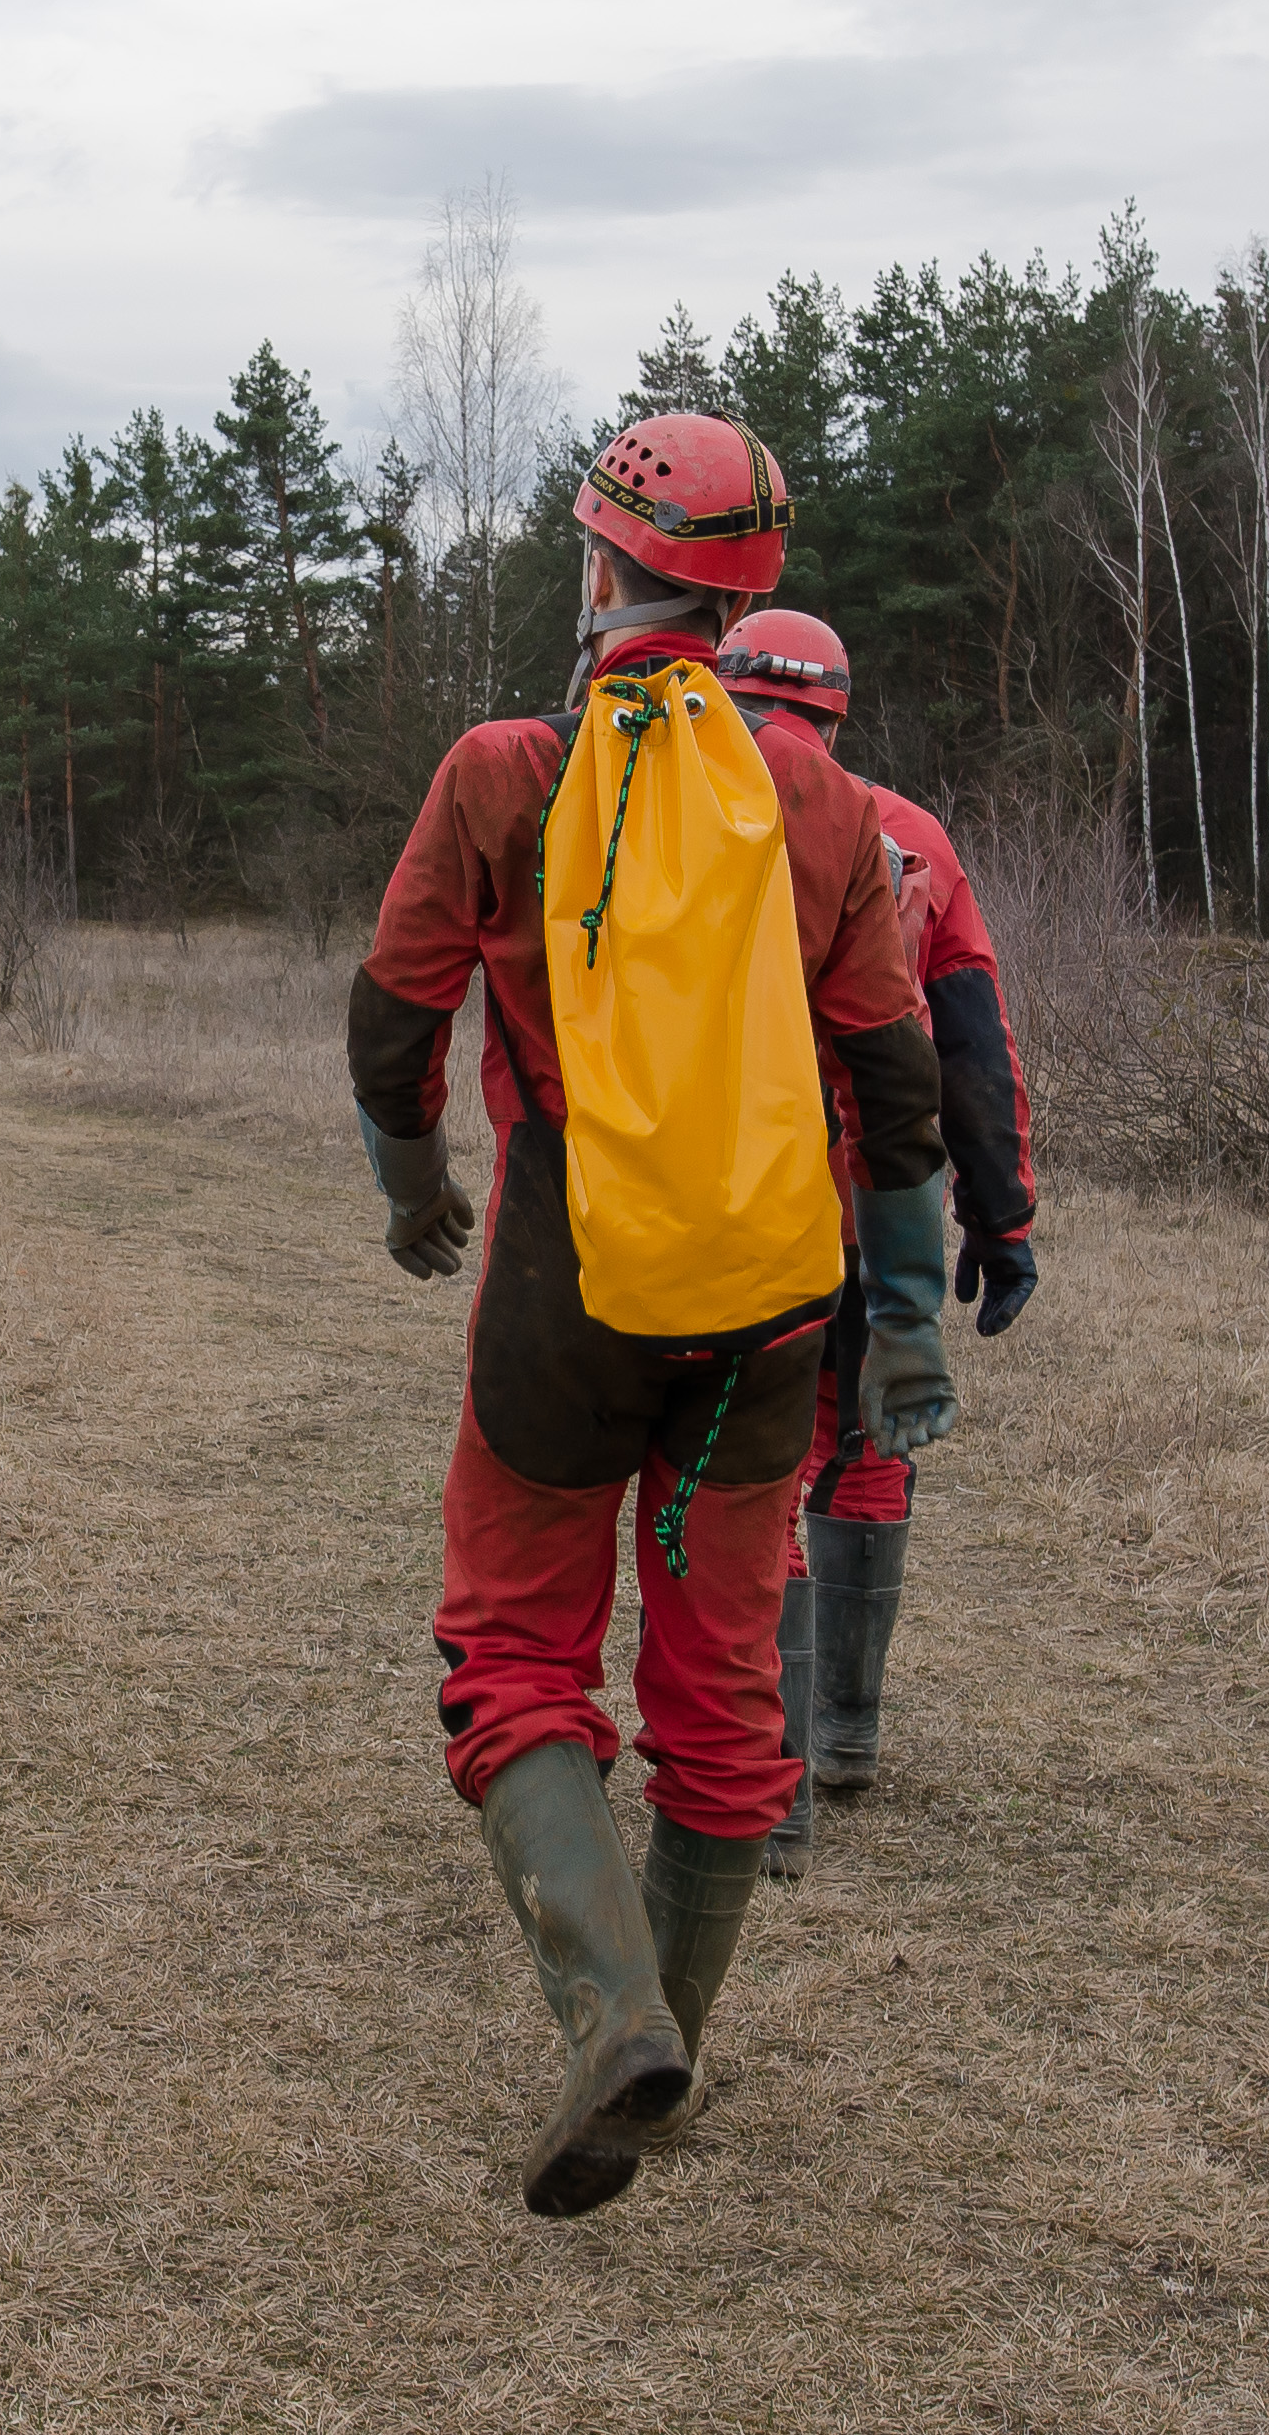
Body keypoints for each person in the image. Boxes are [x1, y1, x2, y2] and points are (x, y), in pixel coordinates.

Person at [345, 412, 952, 2218]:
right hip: (771, 1312)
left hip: (562, 1285)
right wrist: (902, 1310)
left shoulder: (499, 774)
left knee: (513, 1654)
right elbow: (897, 1082)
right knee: (717, 1696)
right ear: (755, 587)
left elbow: (391, 1022)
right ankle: (658, 2046)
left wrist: (412, 1192)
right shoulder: (832, 804)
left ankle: (614, 2024)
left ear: (598, 567)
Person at [714, 609, 1039, 1877]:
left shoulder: (688, 815)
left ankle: (771, 1790)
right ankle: (845, 1733)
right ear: (841, 708)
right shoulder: (916, 837)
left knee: (764, 1467)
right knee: (872, 1436)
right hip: (882, 1200)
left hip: (739, 1203)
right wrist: (1000, 1215)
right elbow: (968, 1042)